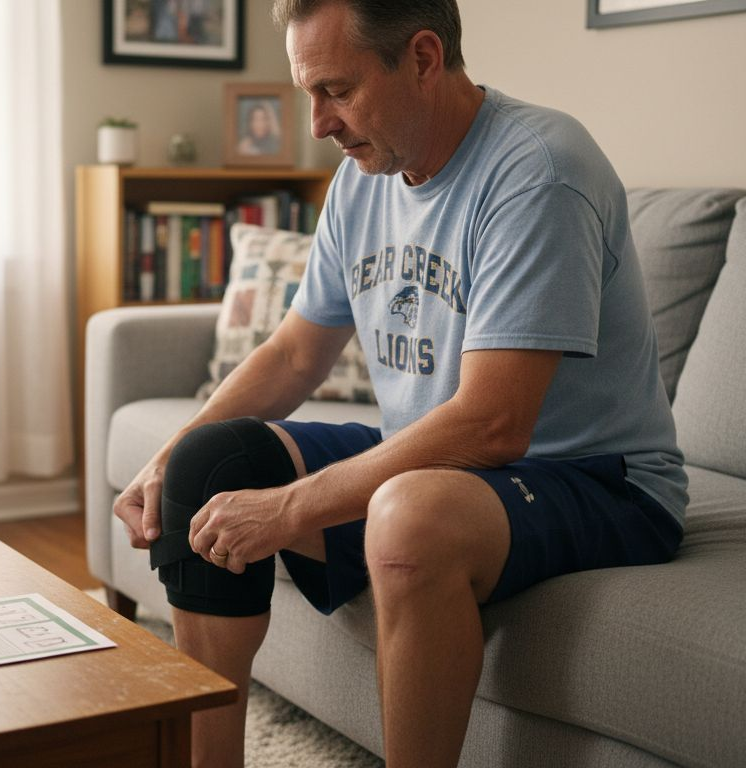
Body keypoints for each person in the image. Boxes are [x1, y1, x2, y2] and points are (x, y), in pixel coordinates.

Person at [111, 0, 688, 765]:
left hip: (597, 479)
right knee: (204, 464)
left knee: (408, 515)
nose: (318, 123)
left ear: (422, 57)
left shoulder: (539, 169)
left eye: (337, 90)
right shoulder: (364, 177)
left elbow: (493, 426)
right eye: (308, 93)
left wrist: (287, 510)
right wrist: (168, 454)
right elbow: (293, 356)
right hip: (446, 465)